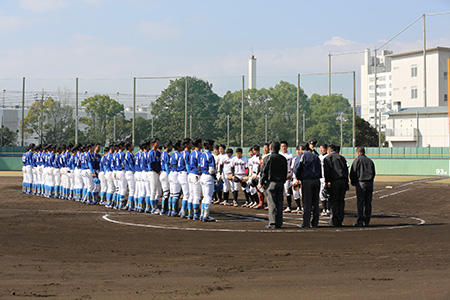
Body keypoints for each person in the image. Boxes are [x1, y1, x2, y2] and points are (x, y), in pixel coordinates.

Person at [259, 141, 287, 229]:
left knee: (272, 203)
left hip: (271, 182)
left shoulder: (268, 158)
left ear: (271, 148)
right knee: (279, 203)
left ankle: (273, 222)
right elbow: (285, 171)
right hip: (280, 183)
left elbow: (264, 171)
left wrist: (262, 182)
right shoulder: (283, 158)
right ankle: (279, 222)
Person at [293, 143, 321, 228]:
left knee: (307, 203)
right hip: (316, 180)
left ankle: (306, 223)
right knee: (315, 202)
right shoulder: (315, 156)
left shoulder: (302, 156)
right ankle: (315, 222)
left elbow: (297, 168)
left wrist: (298, 178)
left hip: (307, 181)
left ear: (301, 148)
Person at [323, 144, 349, 227]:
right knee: (341, 201)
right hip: (343, 181)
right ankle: (340, 220)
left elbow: (327, 172)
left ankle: (334, 221)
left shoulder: (327, 158)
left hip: (334, 182)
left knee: (333, 201)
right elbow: (346, 170)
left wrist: (327, 182)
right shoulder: (342, 158)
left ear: (329, 150)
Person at [350, 147, 376, 227]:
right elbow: (373, 173)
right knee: (368, 203)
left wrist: (353, 182)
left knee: (360, 203)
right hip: (369, 183)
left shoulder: (357, 160)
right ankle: (367, 220)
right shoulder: (370, 161)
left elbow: (353, 173)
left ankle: (360, 220)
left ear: (357, 152)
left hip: (361, 183)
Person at [199, 139, 216, 222]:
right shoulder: (210, 155)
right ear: (209, 146)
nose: (213, 147)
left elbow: (199, 166)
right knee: (208, 197)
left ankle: (202, 214)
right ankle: (206, 216)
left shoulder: (202, 154)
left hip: (202, 176)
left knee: (204, 197)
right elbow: (211, 170)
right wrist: (215, 176)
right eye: (212, 145)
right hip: (208, 177)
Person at [188, 138, 203, 219]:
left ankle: (190, 214)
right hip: (196, 175)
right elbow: (200, 166)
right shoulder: (199, 154)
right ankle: (196, 214)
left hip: (190, 174)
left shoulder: (191, 153)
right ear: (199, 144)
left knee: (191, 195)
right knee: (197, 196)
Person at [280, 141, 294, 213]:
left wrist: (291, 175)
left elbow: (293, 167)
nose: (283, 147)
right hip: (280, 175)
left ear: (287, 147)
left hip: (288, 175)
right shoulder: (279, 155)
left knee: (287, 191)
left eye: (285, 146)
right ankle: (281, 206)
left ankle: (289, 206)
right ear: (280, 147)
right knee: (280, 191)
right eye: (282, 146)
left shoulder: (291, 155)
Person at [318, 144, 330, 216]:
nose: (321, 150)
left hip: (326, 178)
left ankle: (328, 209)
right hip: (320, 178)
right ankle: (324, 209)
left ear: (326, 149)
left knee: (327, 194)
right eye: (320, 149)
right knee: (321, 195)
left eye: (322, 149)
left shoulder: (328, 157)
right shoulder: (319, 157)